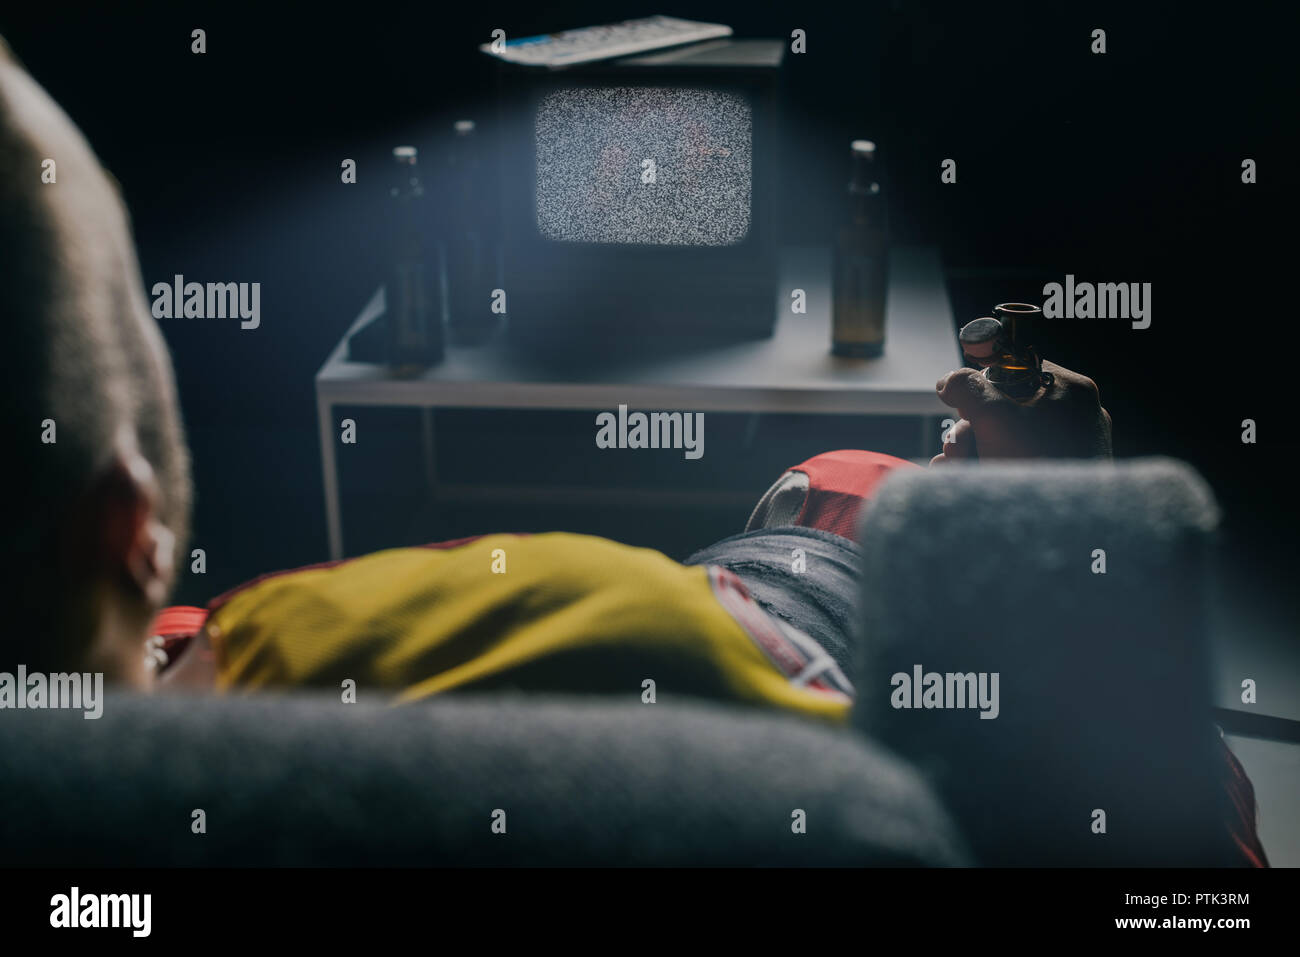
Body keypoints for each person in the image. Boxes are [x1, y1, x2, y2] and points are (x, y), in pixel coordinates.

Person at [0, 37, 1266, 867]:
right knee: (853, 484)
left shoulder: (276, 647)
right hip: (849, 615)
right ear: (136, 527)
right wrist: (1064, 528)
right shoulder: (443, 616)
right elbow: (1196, 859)